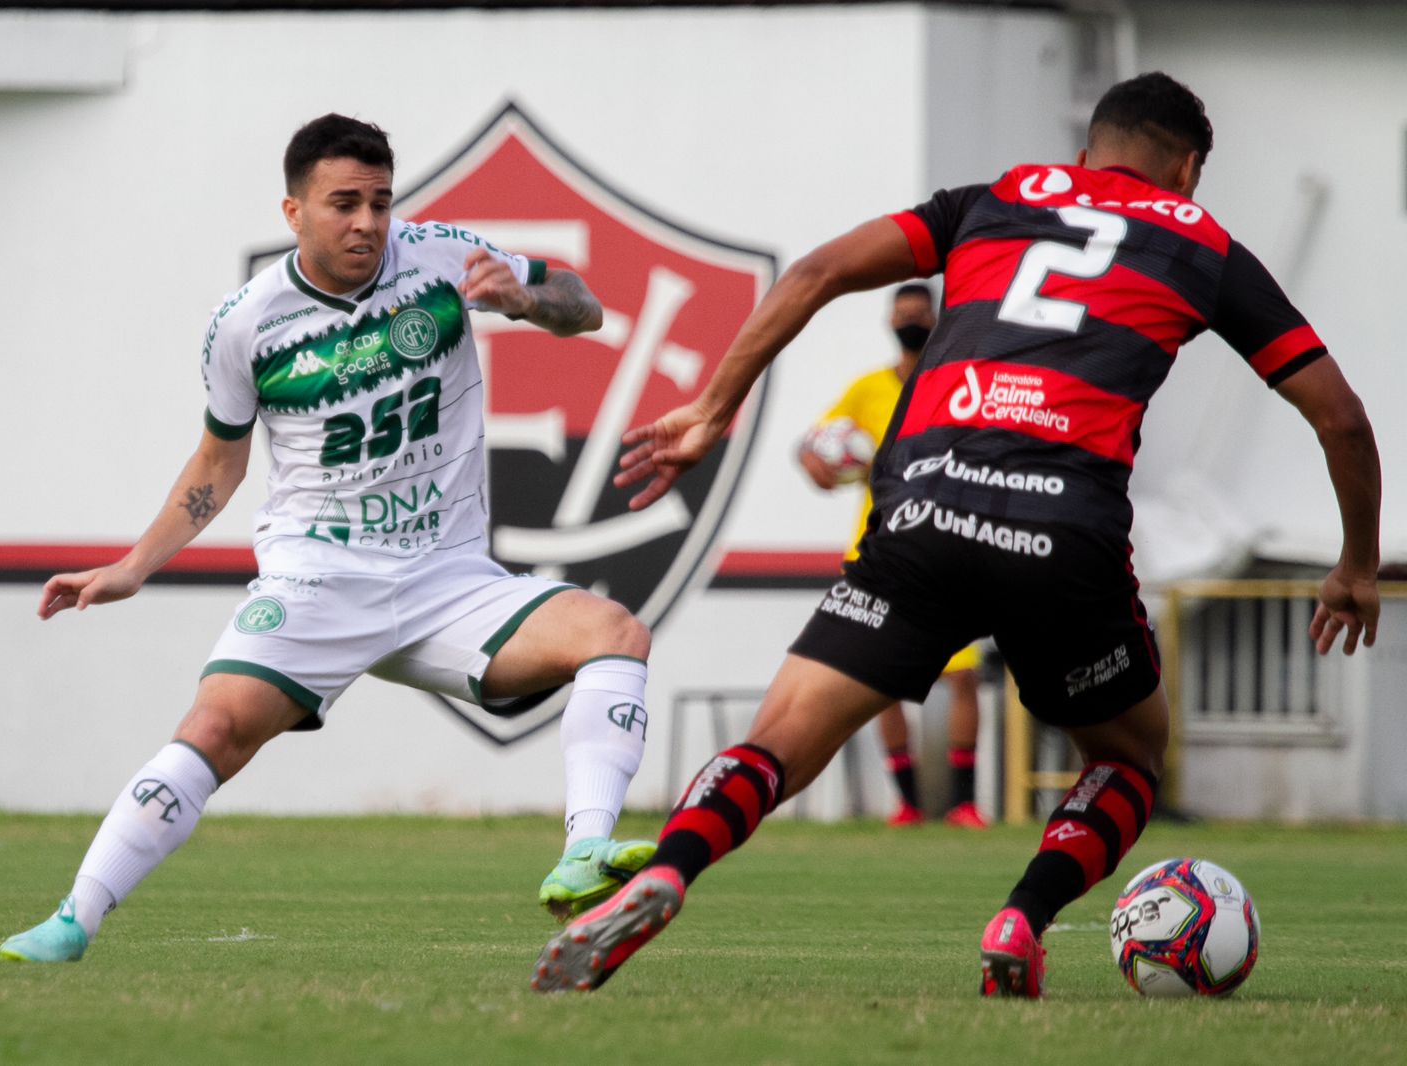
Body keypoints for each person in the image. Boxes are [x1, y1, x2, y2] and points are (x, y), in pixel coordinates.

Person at [533, 72, 1381, 998]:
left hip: (925, 507)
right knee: (1129, 758)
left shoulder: (993, 200)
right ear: (1187, 168)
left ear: (1085, 151)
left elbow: (814, 271)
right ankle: (1023, 915)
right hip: (1065, 532)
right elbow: (1338, 417)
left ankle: (669, 869)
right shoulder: (1204, 246)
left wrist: (710, 409)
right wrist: (1354, 565)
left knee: (775, 745)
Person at [0, 114, 657, 962]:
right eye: (344, 203)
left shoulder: (441, 256)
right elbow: (217, 465)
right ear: (294, 211)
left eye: (381, 201)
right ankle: (73, 919)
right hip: (318, 580)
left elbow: (587, 305)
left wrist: (527, 301)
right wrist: (133, 568)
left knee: (615, 635)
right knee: (213, 730)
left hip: (449, 579)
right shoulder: (245, 324)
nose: (368, 222)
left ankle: (582, 853)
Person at [798, 283, 986, 829]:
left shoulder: (953, 382)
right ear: (890, 321)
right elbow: (817, 445)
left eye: (918, 315)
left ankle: (965, 803)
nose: (909, 323)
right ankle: (907, 802)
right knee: (879, 682)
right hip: (877, 550)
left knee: (963, 677)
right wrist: (817, 466)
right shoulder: (867, 391)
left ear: (935, 318)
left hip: (948, 545)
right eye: (901, 315)